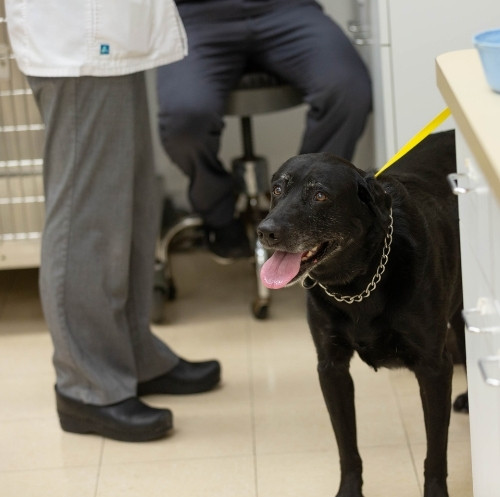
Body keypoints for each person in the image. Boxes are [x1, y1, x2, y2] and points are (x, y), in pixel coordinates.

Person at [5, 0, 220, 443]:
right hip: (78, 34)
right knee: (90, 215)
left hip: (113, 30)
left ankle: (133, 357)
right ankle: (87, 385)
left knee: (131, 204)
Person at [157, 0, 372, 260]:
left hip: (286, 9)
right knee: (184, 119)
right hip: (196, 17)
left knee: (348, 90)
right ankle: (218, 213)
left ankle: (305, 206)